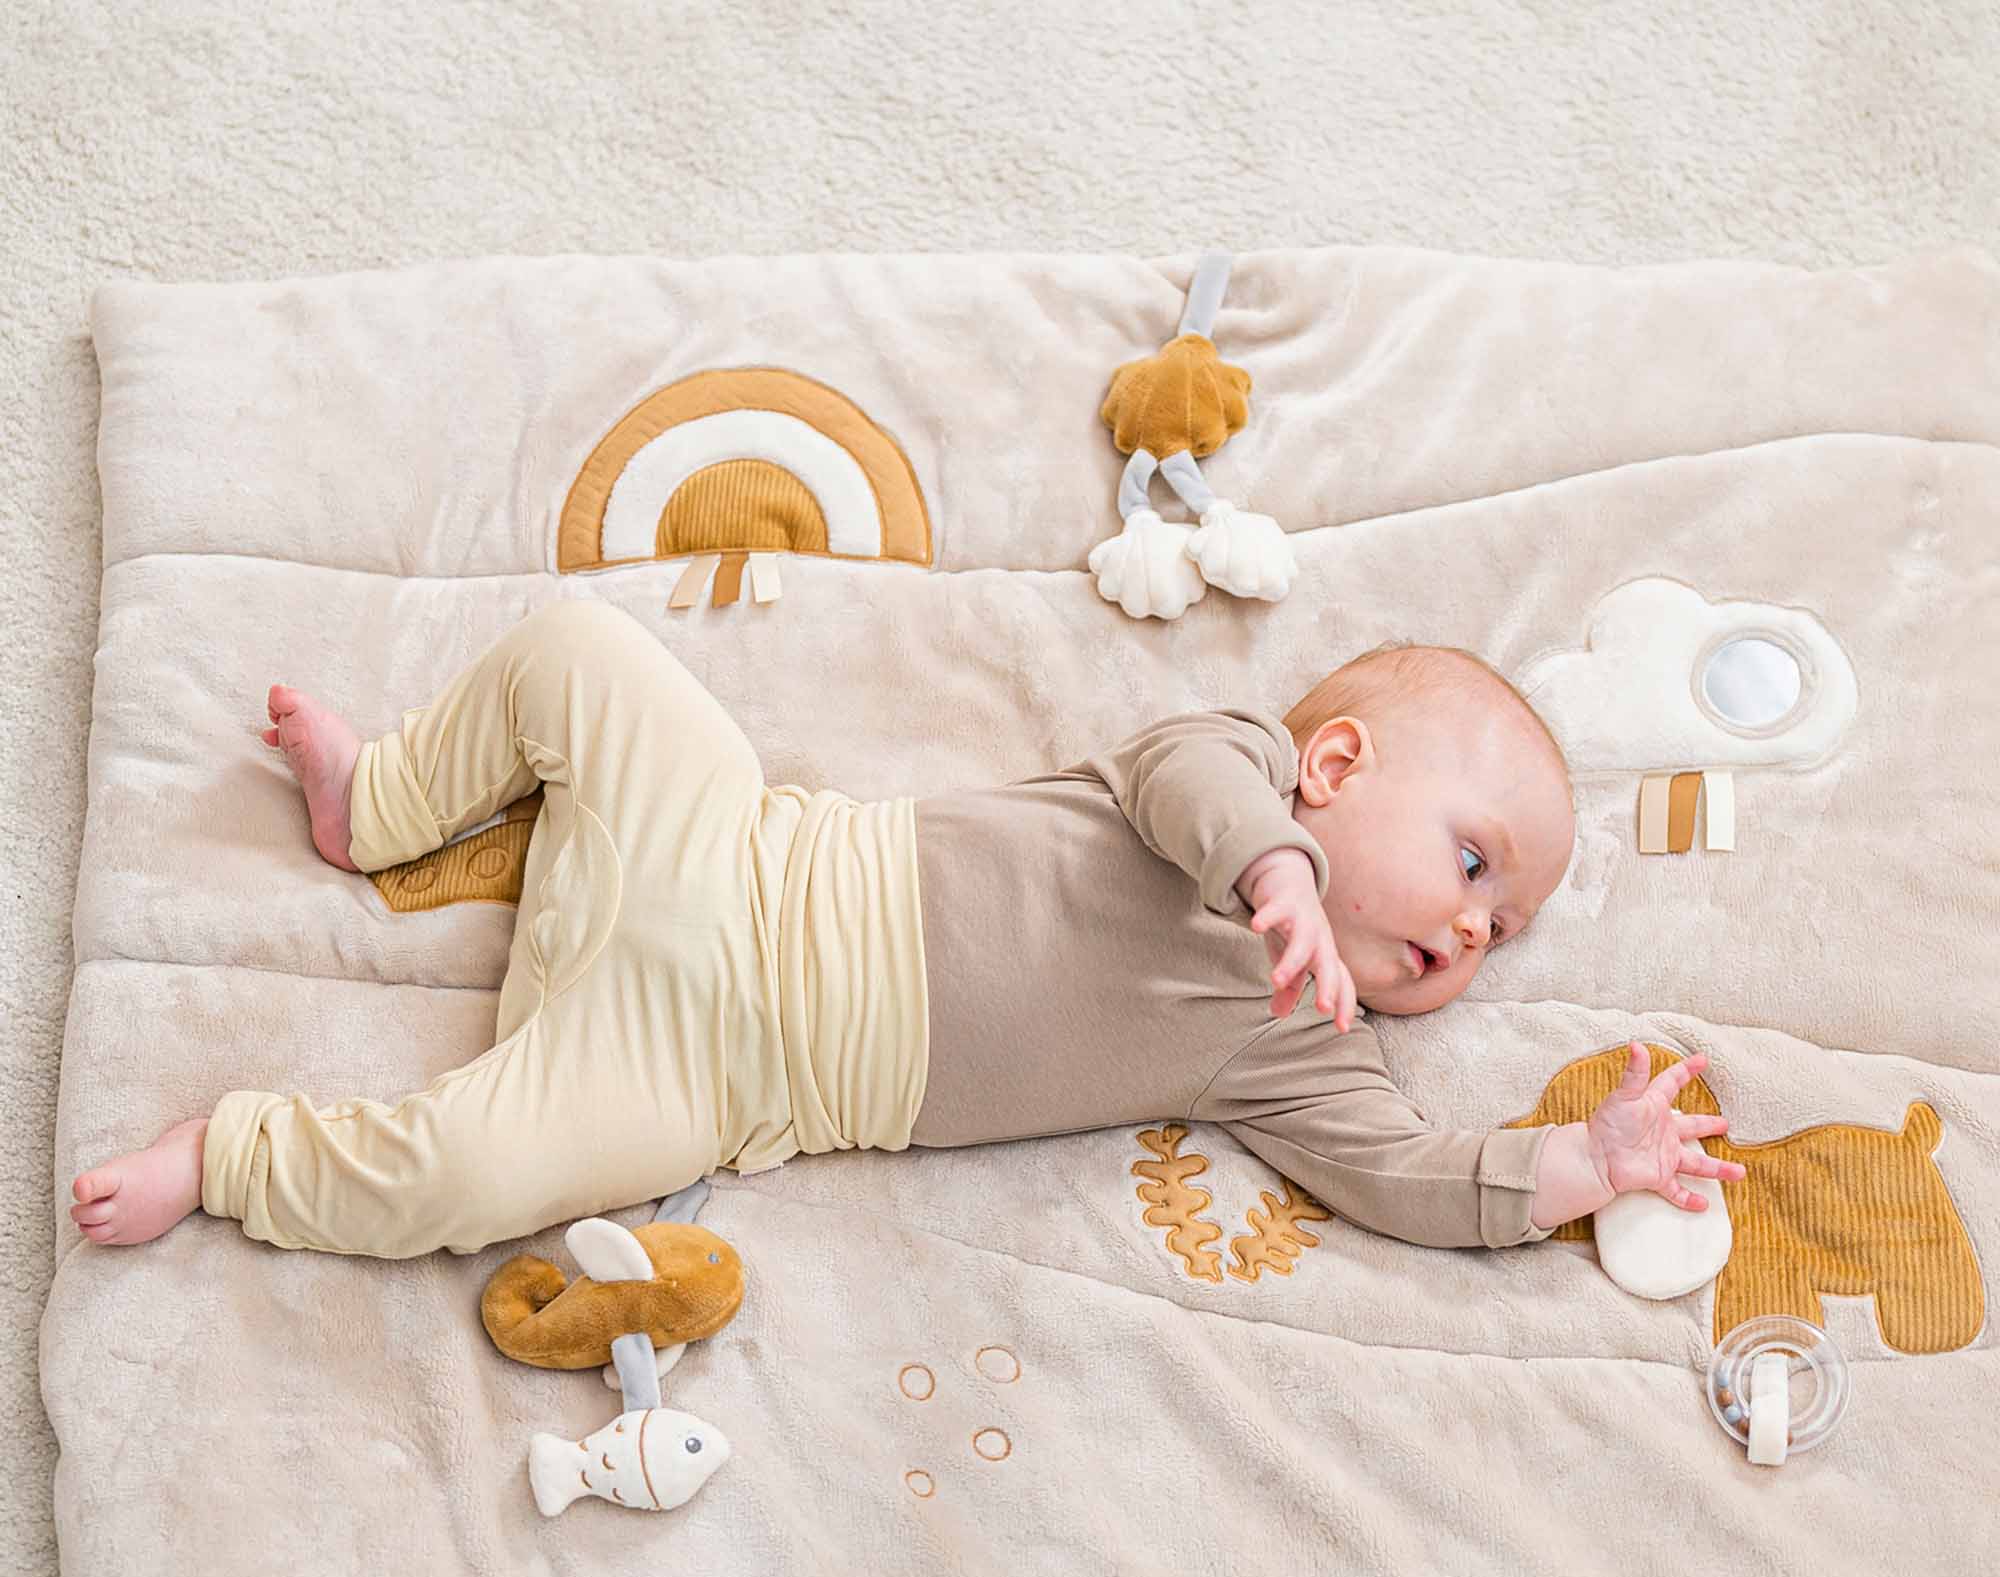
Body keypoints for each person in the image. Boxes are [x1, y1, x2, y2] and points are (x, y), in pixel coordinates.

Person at [68, 599, 1742, 1257]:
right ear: (1335, 764)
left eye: (1502, 926)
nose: (1478, 930)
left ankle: (234, 1152)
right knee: (583, 652)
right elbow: (1185, 790)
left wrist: (1577, 1169)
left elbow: (1406, 1179)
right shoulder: (1224, 775)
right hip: (728, 855)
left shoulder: (1299, 1049)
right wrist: (1276, 878)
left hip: (713, 1075)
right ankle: (391, 803)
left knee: (452, 1184)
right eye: (1472, 864)